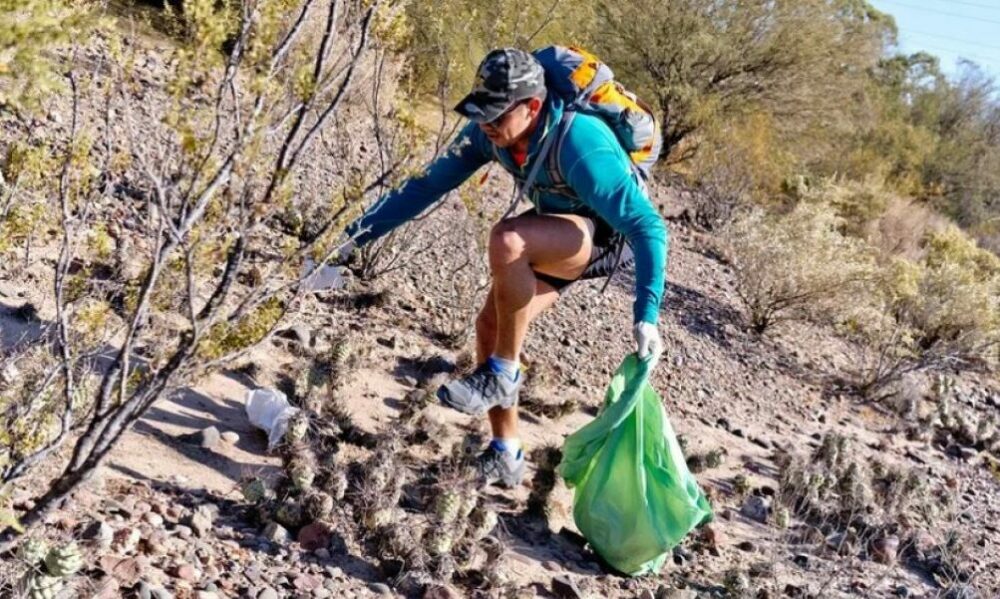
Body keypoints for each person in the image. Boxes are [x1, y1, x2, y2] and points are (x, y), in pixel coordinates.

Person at [337, 48, 667, 487]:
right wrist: (347, 241)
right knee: (492, 326)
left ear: (532, 107)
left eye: (496, 115)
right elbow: (426, 186)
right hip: (559, 225)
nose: (486, 124)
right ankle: (505, 452)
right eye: (481, 114)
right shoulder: (487, 136)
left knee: (508, 239)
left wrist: (647, 315)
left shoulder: (580, 144)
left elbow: (649, 227)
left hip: (606, 236)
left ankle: (502, 373)